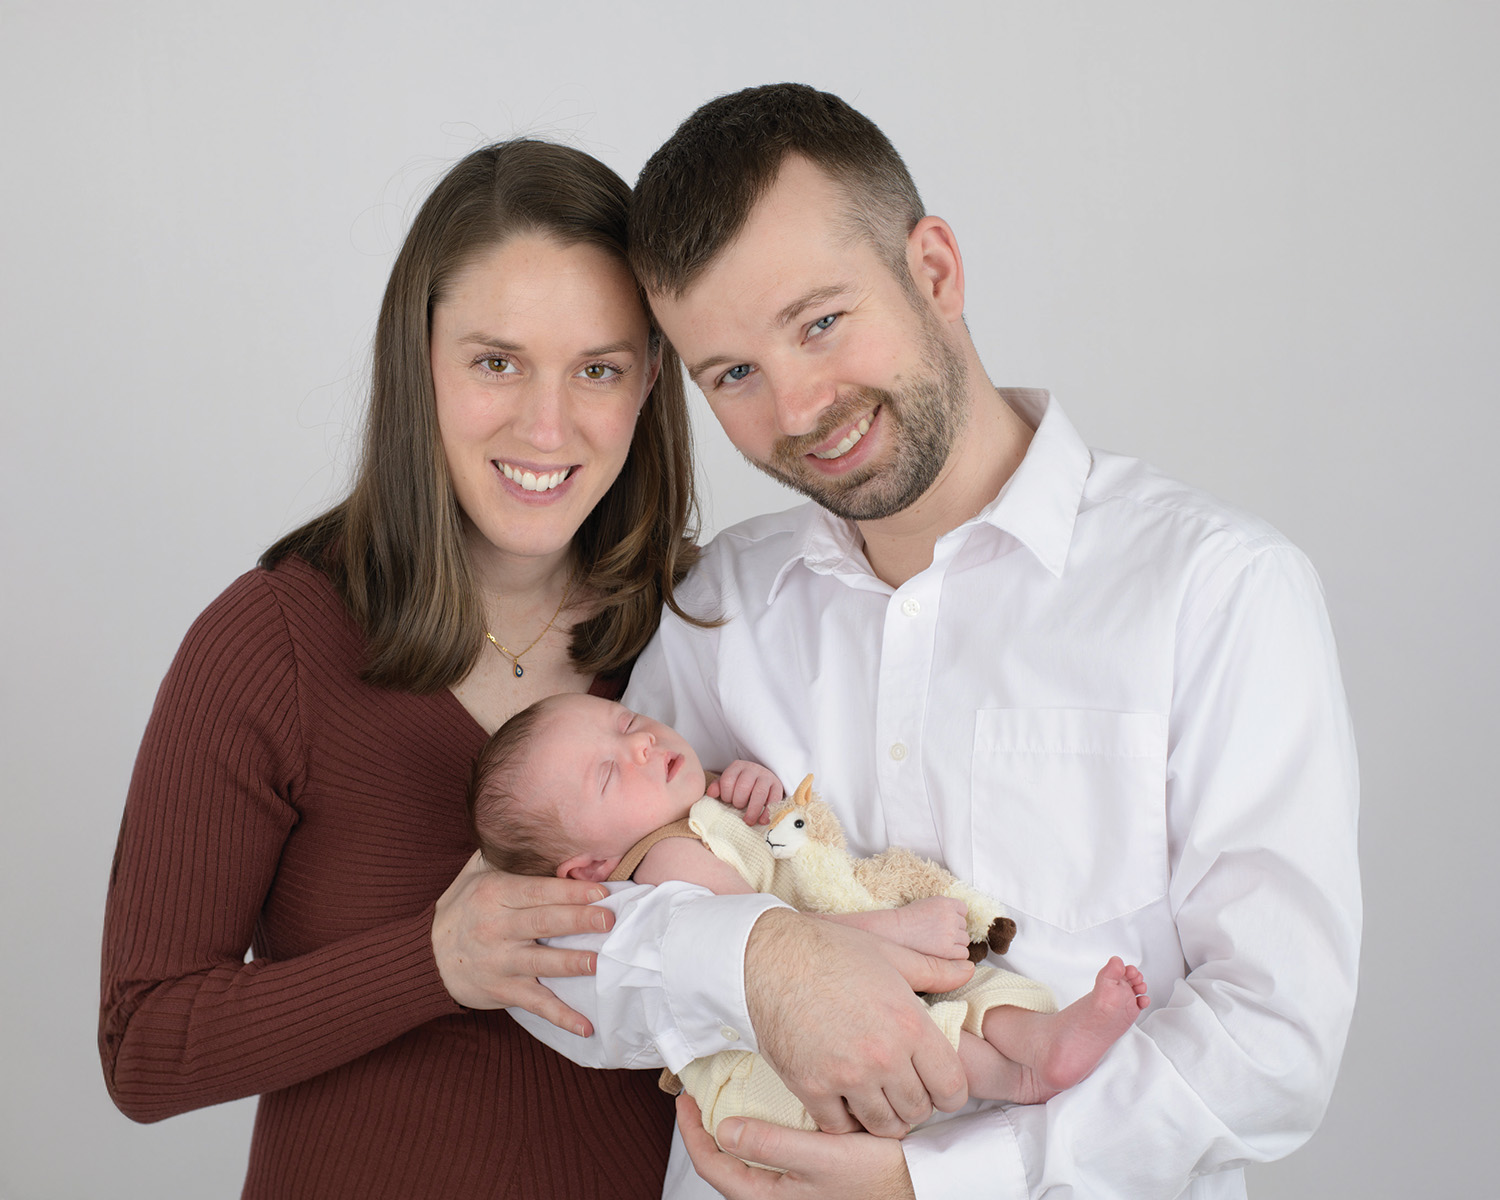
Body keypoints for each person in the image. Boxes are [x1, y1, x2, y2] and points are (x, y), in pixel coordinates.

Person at [499, 83, 1359, 1200]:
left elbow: (1275, 1040)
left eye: (819, 322)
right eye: (735, 374)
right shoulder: (719, 612)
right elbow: (566, 965)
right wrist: (762, 961)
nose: (799, 407)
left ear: (936, 272)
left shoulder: (1219, 592)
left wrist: (940, 1181)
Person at [99, 139, 715, 1200]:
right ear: (416, 360)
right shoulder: (271, 646)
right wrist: (432, 962)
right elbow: (143, 1048)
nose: (547, 424)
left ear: (652, 378)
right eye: (496, 361)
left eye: (599, 368)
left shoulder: (704, 629)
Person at [465, 690, 1150, 1143]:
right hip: (783, 1048)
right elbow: (774, 944)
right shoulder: (662, 862)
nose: (640, 746)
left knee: (972, 990)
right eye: (610, 774)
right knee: (925, 1021)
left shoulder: (691, 810)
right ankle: (1021, 1076)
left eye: (626, 723)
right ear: (586, 870)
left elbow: (772, 851)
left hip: (850, 980)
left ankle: (1039, 1037)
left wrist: (746, 790)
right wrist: (896, 932)